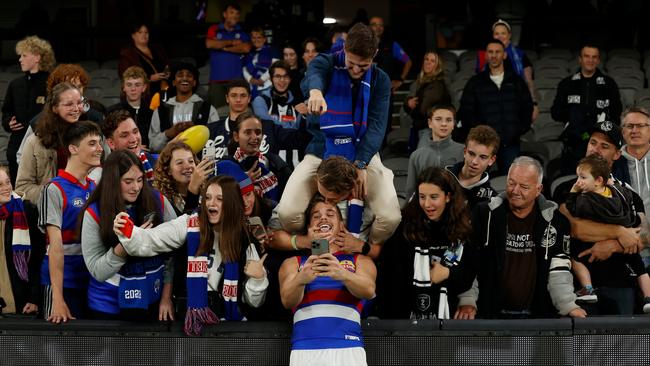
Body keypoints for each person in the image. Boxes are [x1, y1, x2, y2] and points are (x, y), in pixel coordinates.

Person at [278, 23, 401, 251]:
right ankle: (316, 246)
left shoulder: (380, 80)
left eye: (362, 66)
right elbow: (314, 72)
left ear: (374, 55)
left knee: (391, 217)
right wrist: (315, 92)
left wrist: (361, 164)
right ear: (344, 48)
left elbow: (376, 127)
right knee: (287, 212)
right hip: (321, 150)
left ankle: (359, 247)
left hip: (361, 151)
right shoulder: (326, 62)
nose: (355, 70)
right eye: (351, 63)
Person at [113, 175, 268, 335]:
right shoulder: (189, 223)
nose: (211, 204)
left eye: (219, 199)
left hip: (226, 328)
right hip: (188, 322)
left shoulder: (246, 242)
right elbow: (154, 239)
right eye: (207, 197)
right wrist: (129, 232)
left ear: (232, 204)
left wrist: (258, 280)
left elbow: (254, 303)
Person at [459, 156, 585, 319]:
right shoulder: (484, 214)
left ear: (538, 189)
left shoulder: (555, 221)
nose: (515, 190)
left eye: (524, 186)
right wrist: (467, 300)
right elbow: (470, 263)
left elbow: (558, 271)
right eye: (511, 183)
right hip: (489, 314)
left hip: (536, 318)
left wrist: (568, 305)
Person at [278, 194, 376, 366]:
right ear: (309, 227)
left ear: (341, 225)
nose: (323, 217)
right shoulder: (293, 263)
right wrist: (302, 278)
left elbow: (368, 290)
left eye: (330, 214)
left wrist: (342, 273)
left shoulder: (360, 260)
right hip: (304, 350)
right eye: (316, 216)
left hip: (348, 348)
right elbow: (287, 300)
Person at [81, 150, 177, 320]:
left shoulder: (158, 201)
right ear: (113, 182)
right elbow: (98, 271)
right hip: (108, 306)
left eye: (140, 180)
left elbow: (173, 253)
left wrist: (166, 297)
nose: (136, 187)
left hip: (153, 301)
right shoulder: (95, 212)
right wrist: (127, 244)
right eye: (128, 181)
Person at [377, 167, 477, 319]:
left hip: (446, 316)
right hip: (405, 316)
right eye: (422, 197)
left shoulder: (461, 229)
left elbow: (469, 274)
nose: (427, 204)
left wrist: (448, 273)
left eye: (434, 197)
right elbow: (389, 273)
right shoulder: (406, 225)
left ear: (448, 196)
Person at [565, 155, 650, 314]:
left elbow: (572, 209)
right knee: (641, 268)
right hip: (625, 246)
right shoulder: (619, 192)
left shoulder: (585, 199)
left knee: (574, 257)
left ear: (598, 180)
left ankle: (587, 288)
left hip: (611, 269)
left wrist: (573, 191)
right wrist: (622, 233)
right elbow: (633, 215)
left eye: (582, 177)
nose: (578, 181)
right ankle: (648, 297)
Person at [38, 120, 103, 323]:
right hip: (62, 284)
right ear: (73, 149)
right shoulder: (54, 189)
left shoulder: (95, 187)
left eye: (100, 143)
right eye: (92, 143)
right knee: (55, 349)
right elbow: (55, 247)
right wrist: (57, 298)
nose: (99, 148)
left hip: (90, 283)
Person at [457, 39, 533, 175]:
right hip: (482, 146)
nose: (494, 55)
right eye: (490, 52)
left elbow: (527, 108)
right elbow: (466, 111)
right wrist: (481, 134)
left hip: (510, 144)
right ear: (485, 55)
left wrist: (517, 130)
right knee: (476, 183)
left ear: (504, 55)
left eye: (497, 52)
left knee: (510, 183)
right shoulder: (475, 83)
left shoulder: (516, 81)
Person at [552, 44, 622, 174]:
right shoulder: (567, 84)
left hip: (600, 145)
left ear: (599, 60)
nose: (590, 60)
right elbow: (555, 113)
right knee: (573, 183)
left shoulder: (609, 84)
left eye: (594, 57)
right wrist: (574, 115)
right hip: (573, 143)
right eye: (587, 56)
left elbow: (616, 114)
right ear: (580, 59)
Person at [16, 82, 85, 203]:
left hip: (86, 207)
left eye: (79, 103)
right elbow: (22, 188)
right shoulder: (34, 142)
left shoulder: (91, 136)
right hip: (51, 212)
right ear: (54, 108)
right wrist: (57, 195)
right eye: (69, 104)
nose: (76, 109)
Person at [2, 35, 55, 185]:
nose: (20, 59)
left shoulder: (51, 83)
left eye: (24, 55)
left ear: (37, 57)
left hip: (42, 144)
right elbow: (6, 112)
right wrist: (8, 123)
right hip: (16, 144)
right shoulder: (15, 84)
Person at [0, 166, 45, 315]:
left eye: (8, 182)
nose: (6, 188)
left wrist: (34, 297)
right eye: (0, 185)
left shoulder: (27, 211)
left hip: (22, 298)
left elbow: (38, 258)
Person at [148, 62, 219, 152]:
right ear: (173, 82)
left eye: (189, 75)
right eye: (180, 75)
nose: (184, 78)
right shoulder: (160, 110)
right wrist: (168, 134)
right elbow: (152, 146)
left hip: (199, 162)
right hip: (169, 163)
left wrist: (196, 131)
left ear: (194, 82)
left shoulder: (208, 109)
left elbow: (217, 142)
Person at [476, 19, 538, 121]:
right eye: (497, 33)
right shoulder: (483, 55)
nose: (500, 36)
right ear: (493, 36)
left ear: (509, 35)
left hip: (516, 102)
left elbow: (528, 81)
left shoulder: (520, 54)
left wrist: (533, 103)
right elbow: (479, 81)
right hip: (491, 103)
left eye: (503, 33)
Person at [225, 112, 292, 202]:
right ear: (236, 136)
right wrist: (245, 182)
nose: (254, 137)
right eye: (248, 132)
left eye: (258, 132)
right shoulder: (225, 166)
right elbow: (222, 200)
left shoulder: (275, 164)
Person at [252, 61, 308, 167]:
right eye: (278, 76)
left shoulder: (298, 103)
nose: (282, 80)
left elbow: (301, 134)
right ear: (271, 78)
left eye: (285, 76)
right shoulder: (260, 100)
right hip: (270, 159)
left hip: (297, 161)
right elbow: (268, 127)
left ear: (290, 79)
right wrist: (291, 126)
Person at [406, 105, 464, 200]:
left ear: (454, 124)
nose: (444, 124)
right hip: (426, 210)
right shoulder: (417, 156)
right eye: (438, 119)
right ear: (430, 123)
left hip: (456, 208)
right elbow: (411, 191)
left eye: (449, 120)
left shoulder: (464, 152)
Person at [205, 3, 252, 109]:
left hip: (237, 81)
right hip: (217, 80)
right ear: (224, 14)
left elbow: (246, 48)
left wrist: (223, 47)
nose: (235, 16)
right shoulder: (214, 28)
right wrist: (232, 42)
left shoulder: (242, 31)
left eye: (237, 13)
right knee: (217, 113)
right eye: (231, 12)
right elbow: (210, 44)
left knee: (237, 114)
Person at [403, 50, 451, 151]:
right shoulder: (421, 81)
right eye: (426, 59)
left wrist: (412, 107)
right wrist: (408, 103)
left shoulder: (436, 85)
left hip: (428, 129)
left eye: (432, 61)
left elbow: (423, 110)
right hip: (421, 127)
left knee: (422, 159)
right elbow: (412, 102)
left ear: (438, 65)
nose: (428, 62)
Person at [153, 141, 213, 216]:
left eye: (191, 161)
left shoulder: (207, 191)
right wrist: (193, 189)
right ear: (168, 170)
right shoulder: (161, 200)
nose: (188, 166)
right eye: (180, 163)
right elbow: (186, 224)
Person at [446, 125, 499, 208]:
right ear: (464, 152)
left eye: (482, 157)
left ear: (492, 160)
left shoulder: (492, 200)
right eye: (471, 154)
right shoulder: (442, 180)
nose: (474, 161)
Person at [102, 109, 157, 184]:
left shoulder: (152, 161)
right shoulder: (108, 174)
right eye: (125, 135)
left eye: (135, 132)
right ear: (111, 143)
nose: (134, 139)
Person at [107, 66, 154, 149]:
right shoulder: (112, 111)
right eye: (129, 85)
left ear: (144, 88)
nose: (133, 89)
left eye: (137, 85)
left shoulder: (152, 113)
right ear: (123, 87)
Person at [118, 23, 170, 97]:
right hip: (143, 94)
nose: (144, 34)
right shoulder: (128, 53)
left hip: (163, 89)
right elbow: (125, 75)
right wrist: (150, 78)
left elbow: (167, 64)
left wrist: (167, 71)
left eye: (146, 32)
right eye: (140, 32)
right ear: (133, 36)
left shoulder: (158, 49)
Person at [242, 27, 279, 99]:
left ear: (264, 39)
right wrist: (250, 79)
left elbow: (275, 66)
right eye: (253, 38)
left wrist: (262, 79)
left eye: (259, 37)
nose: (256, 40)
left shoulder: (272, 50)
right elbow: (244, 68)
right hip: (253, 88)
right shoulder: (249, 52)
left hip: (269, 86)